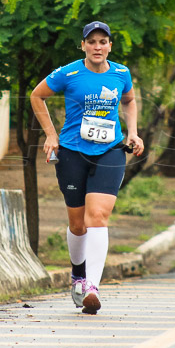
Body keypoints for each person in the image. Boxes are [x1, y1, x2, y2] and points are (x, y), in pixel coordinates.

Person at [31, 21, 145, 315]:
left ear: (110, 46)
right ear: (83, 45)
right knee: (78, 223)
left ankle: (92, 286)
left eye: (103, 42)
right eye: (91, 41)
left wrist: (132, 131)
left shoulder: (121, 73)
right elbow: (36, 95)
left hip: (109, 151)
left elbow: (130, 101)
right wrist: (51, 135)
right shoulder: (68, 73)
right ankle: (78, 274)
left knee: (98, 216)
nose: (97, 47)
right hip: (72, 152)